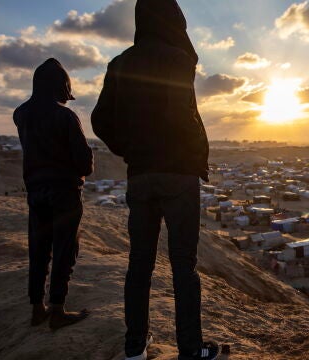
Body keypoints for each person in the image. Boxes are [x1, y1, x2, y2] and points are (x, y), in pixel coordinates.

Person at [91, 0, 216, 359]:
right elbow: (182, 113)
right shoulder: (177, 58)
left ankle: (135, 347)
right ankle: (191, 350)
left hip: (140, 174)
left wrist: (130, 148)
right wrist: (190, 151)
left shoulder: (120, 63)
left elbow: (100, 120)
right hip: (178, 174)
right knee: (183, 266)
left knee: (139, 263)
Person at [13, 58, 93, 330]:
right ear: (62, 86)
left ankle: (37, 308)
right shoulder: (66, 116)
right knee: (64, 250)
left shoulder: (20, 113)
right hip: (65, 194)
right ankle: (57, 310)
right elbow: (84, 164)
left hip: (35, 192)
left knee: (38, 249)